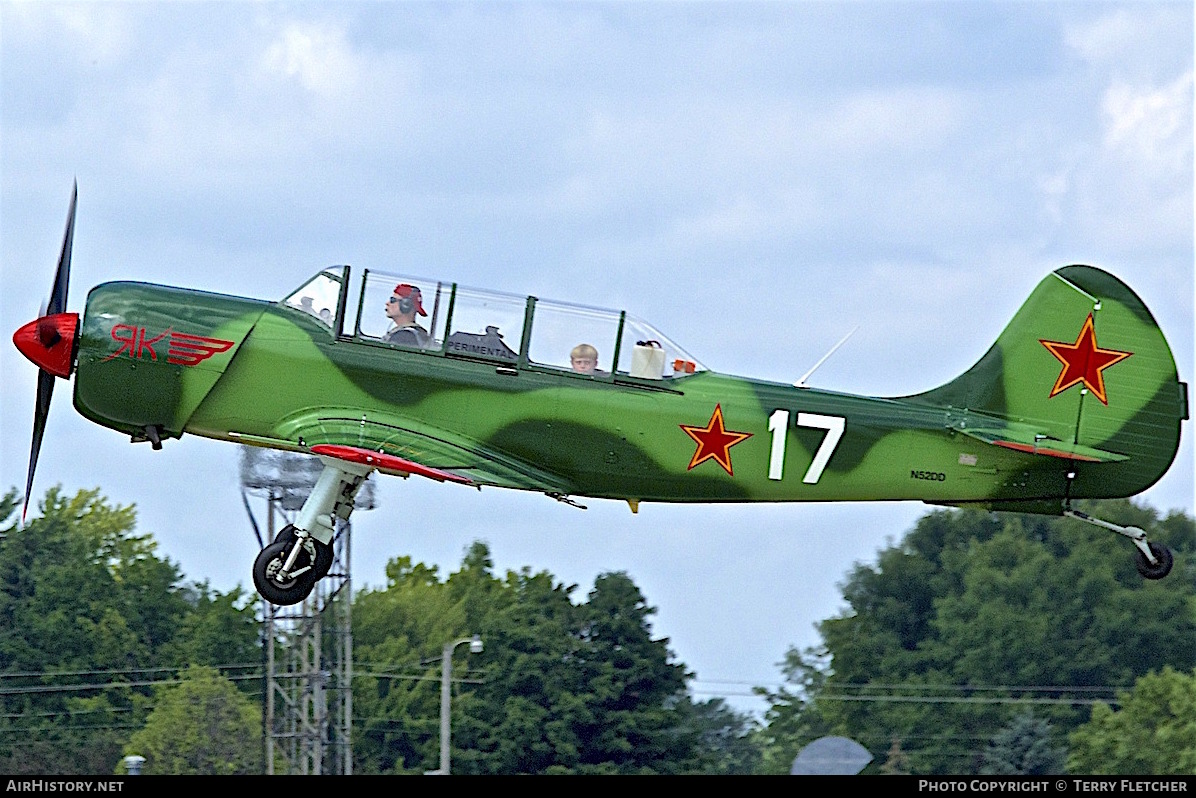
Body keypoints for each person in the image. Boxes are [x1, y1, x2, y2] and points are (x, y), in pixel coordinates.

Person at [384, 283, 432, 348]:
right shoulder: (415, 334)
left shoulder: (404, 336)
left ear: (406, 305)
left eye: (393, 300)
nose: (387, 303)